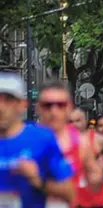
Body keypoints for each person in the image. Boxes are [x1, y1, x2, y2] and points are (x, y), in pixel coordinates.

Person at [0, 73, 75, 206]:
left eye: (8, 100)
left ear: (22, 104)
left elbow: (69, 192)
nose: (1, 107)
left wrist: (37, 179)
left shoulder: (42, 138)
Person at [38, 81, 103, 207]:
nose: (54, 111)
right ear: (38, 108)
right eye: (47, 105)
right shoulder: (24, 138)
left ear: (69, 107)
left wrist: (97, 175)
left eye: (60, 105)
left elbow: (94, 180)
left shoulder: (81, 142)